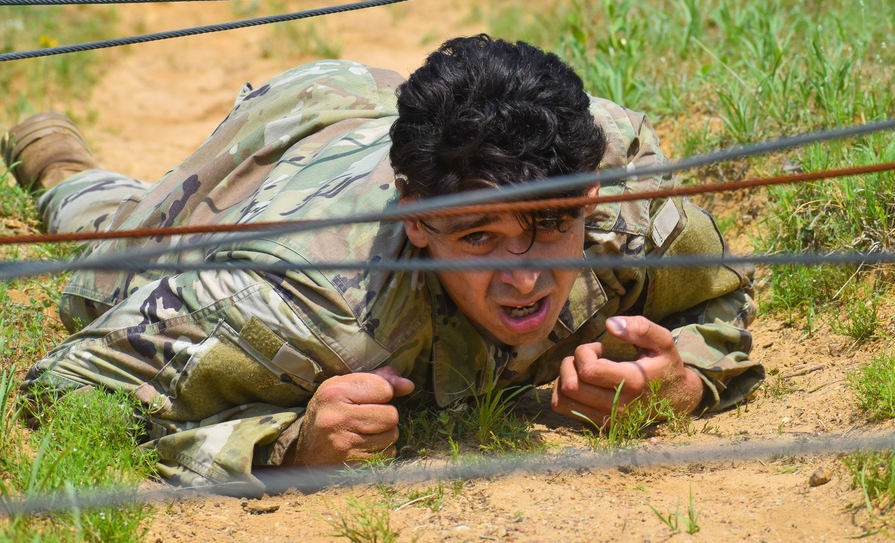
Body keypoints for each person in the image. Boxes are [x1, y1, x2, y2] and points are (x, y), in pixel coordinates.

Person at [3, 35, 763, 489]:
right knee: (114, 238)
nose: (525, 278)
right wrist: (288, 449)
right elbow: (68, 389)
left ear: (587, 192)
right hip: (288, 133)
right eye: (479, 239)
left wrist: (687, 381)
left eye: (550, 226)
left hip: (391, 107)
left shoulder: (620, 195)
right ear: (415, 219)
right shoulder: (291, 301)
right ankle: (55, 158)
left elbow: (719, 295)